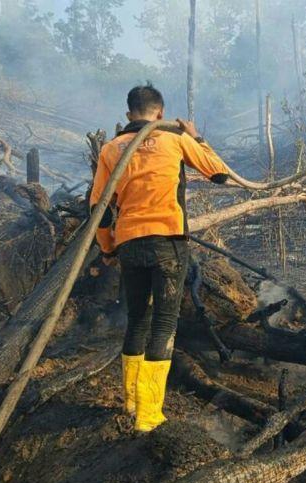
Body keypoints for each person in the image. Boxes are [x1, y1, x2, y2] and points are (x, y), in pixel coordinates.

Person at [90, 84, 231, 432]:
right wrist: (196, 137)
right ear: (161, 113)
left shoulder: (111, 149)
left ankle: (131, 401)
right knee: (164, 324)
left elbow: (99, 210)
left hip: (129, 243)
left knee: (137, 319)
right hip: (167, 241)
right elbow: (219, 173)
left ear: (128, 115)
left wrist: (108, 249)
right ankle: (149, 414)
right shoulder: (174, 139)